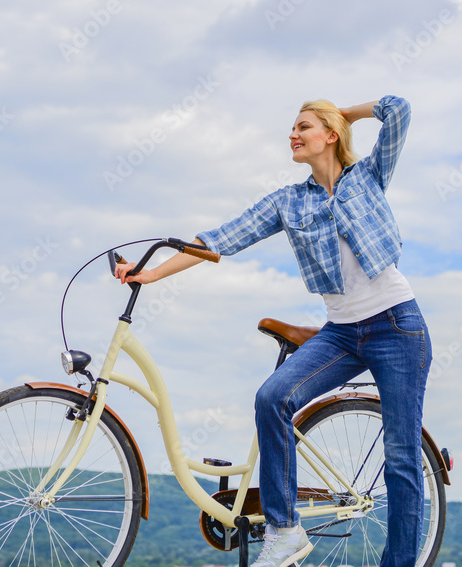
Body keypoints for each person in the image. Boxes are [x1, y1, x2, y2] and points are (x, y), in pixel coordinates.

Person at [114, 95, 432, 567]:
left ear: (329, 135)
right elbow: (222, 239)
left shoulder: (368, 177)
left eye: (303, 126)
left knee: (401, 456)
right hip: (341, 333)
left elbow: (399, 109)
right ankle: (284, 530)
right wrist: (152, 273)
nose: (293, 134)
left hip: (397, 326)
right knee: (272, 398)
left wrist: (346, 112)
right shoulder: (289, 202)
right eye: (292, 128)